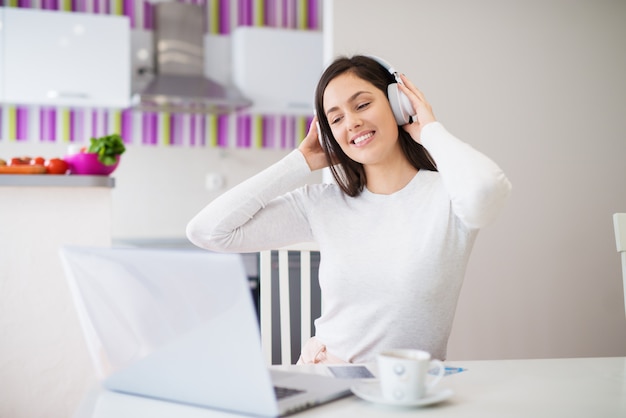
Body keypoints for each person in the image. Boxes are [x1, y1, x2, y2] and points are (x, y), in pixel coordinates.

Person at [186, 55, 512, 364]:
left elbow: (486, 191)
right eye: (337, 118)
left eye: (363, 104)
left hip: (409, 389)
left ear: (398, 106)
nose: (352, 122)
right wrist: (300, 162)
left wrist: (428, 128)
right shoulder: (322, 203)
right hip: (328, 376)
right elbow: (207, 231)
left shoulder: (449, 195)